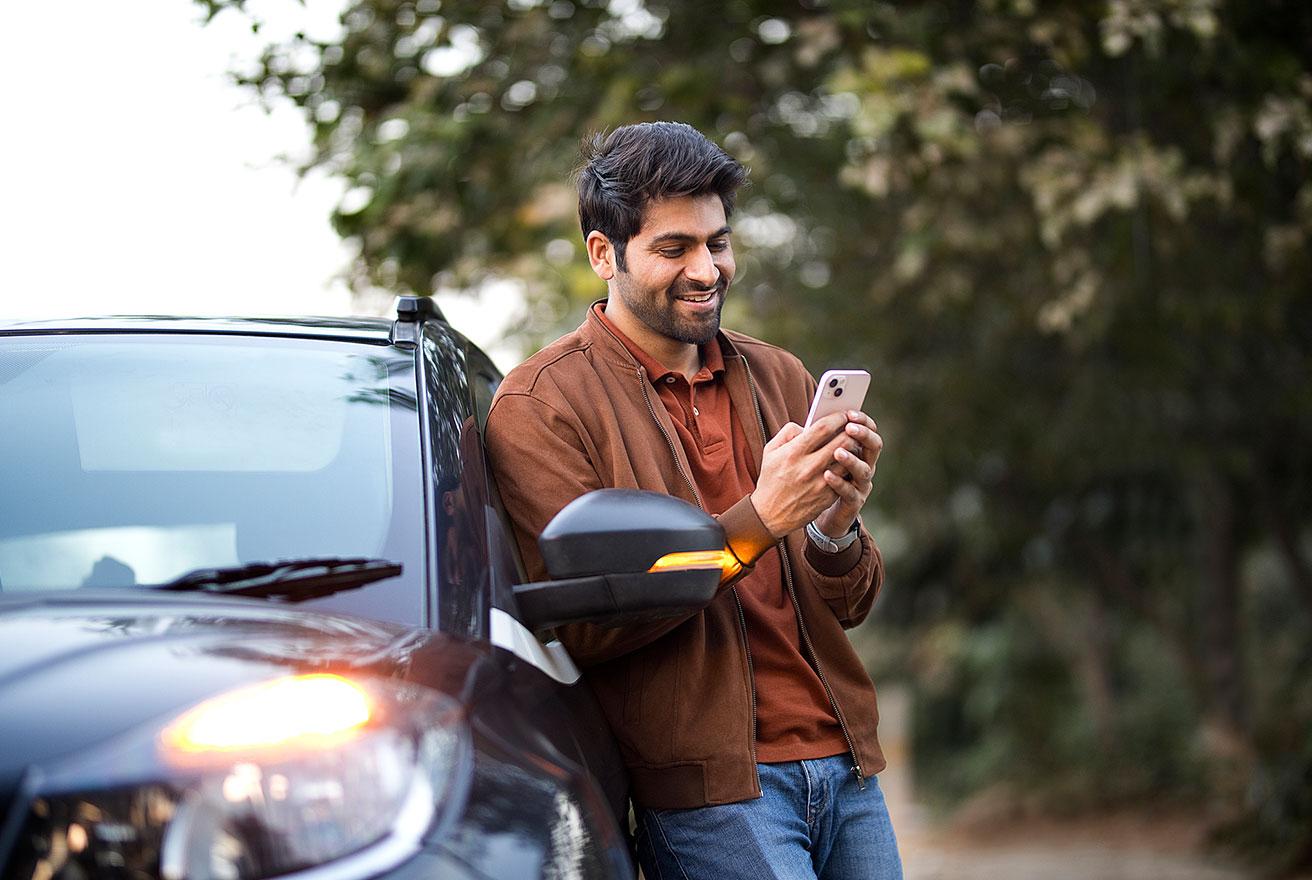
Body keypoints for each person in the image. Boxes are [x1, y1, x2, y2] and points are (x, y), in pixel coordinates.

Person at [485, 121, 901, 880]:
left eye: (718, 242)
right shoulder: (541, 406)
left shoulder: (780, 376)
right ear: (603, 254)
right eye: (674, 249)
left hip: (847, 770)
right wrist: (760, 521)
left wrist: (836, 528)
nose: (707, 269)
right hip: (712, 797)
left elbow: (846, 605)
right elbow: (581, 624)